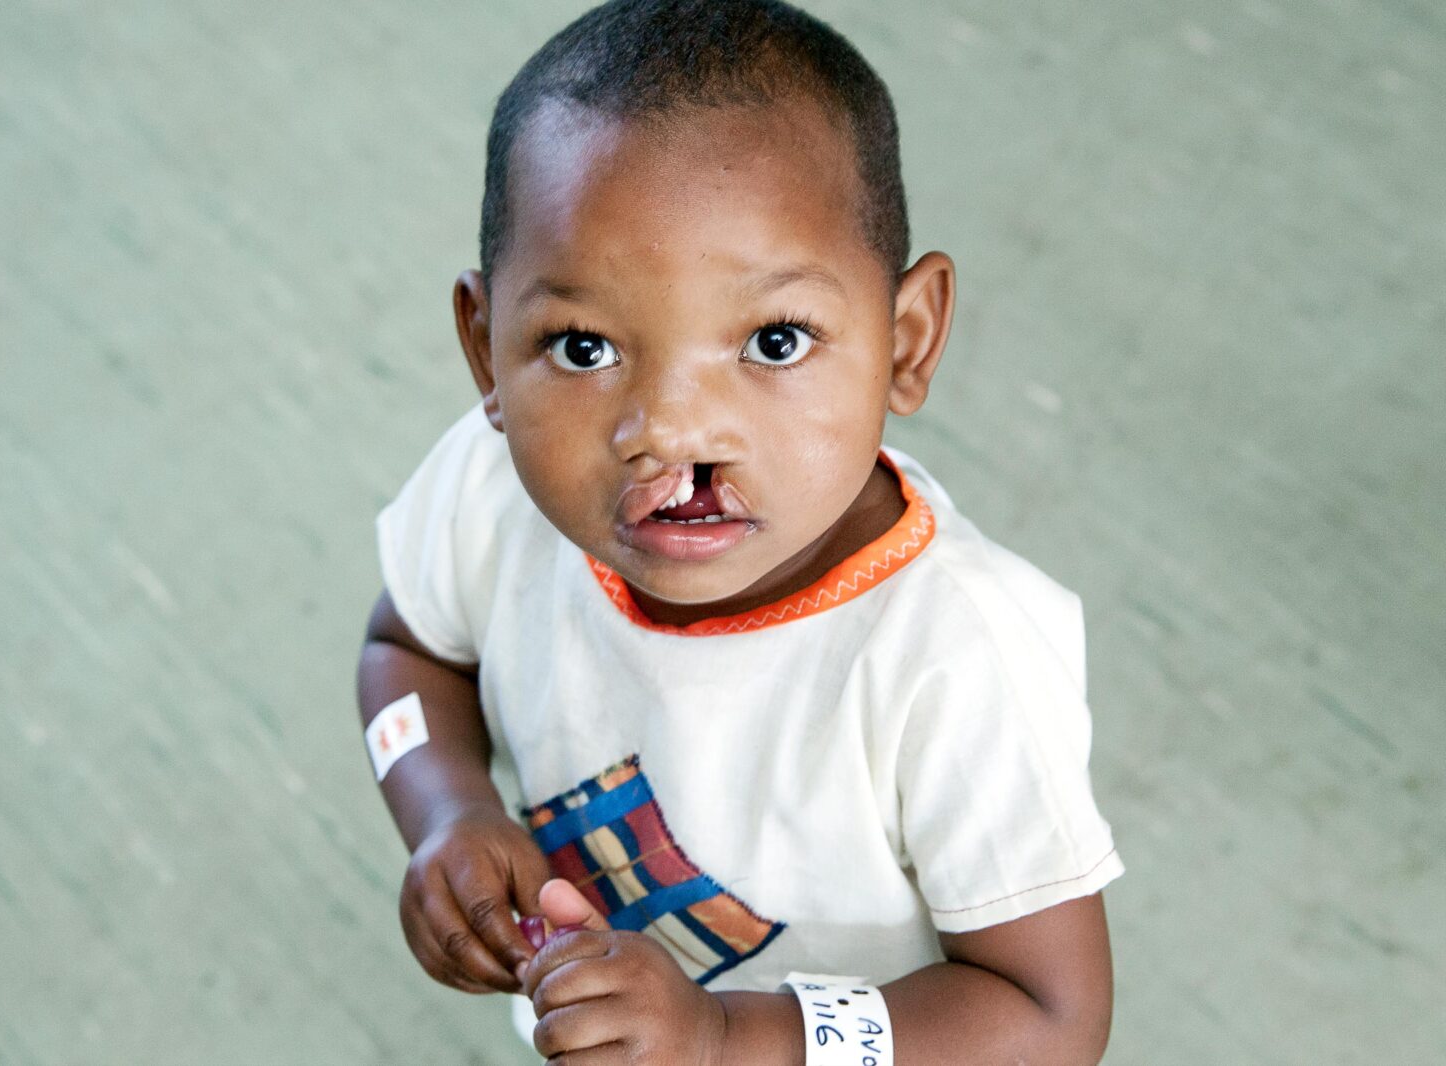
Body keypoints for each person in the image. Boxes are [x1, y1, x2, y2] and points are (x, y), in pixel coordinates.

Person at [356, 1, 1124, 1061]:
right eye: (582, 347)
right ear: (487, 351)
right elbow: (403, 652)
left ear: (906, 339)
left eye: (773, 339)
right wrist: (443, 807)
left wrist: (725, 1038)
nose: (668, 429)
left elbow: (1049, 1014)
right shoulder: (493, 488)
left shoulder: (955, 653)